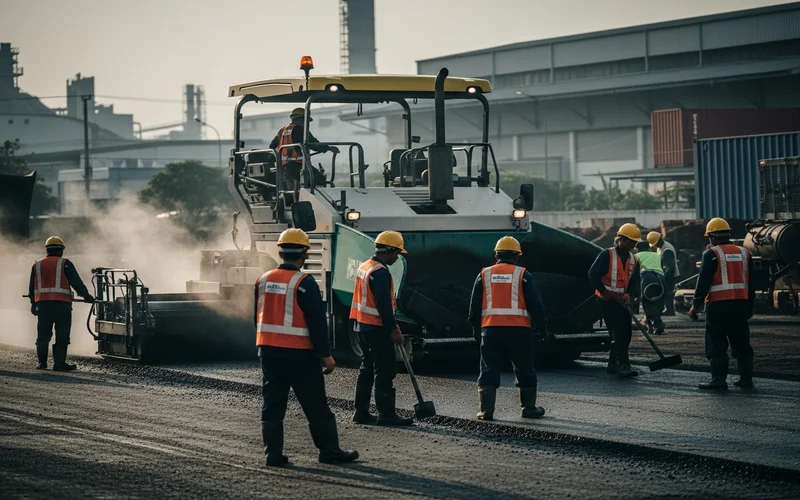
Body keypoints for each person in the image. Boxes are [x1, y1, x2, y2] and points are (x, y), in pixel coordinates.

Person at [256, 228, 358, 466]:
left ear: (280, 252)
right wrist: (326, 355)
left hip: (269, 352)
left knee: (272, 403)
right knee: (315, 403)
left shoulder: (263, 279)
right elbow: (316, 323)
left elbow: (257, 317)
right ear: (304, 254)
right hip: (299, 354)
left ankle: (273, 455)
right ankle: (329, 451)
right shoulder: (304, 283)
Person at [468, 236, 549, 421]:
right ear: (516, 256)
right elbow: (536, 305)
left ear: (496, 255)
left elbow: (474, 305)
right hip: (519, 331)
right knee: (524, 368)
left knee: (488, 368)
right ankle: (528, 408)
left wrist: (475, 327)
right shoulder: (523, 275)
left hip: (490, 330)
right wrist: (543, 328)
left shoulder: (484, 275)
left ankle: (486, 411)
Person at [350, 230, 414, 427]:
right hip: (376, 328)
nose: (397, 258)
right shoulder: (380, 272)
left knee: (367, 369)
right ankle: (386, 414)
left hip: (361, 326)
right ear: (388, 251)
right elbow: (383, 304)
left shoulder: (365, 267)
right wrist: (393, 328)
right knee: (384, 370)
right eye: (396, 254)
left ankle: (360, 412)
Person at [688, 218, 755, 391]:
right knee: (741, 342)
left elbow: (703, 282)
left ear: (712, 237)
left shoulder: (712, 254)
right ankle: (746, 379)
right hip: (740, 305)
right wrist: (749, 306)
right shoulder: (745, 253)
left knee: (716, 342)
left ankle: (718, 379)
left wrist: (696, 305)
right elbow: (752, 282)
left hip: (718, 306)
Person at [28, 236, 95, 371]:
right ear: (61, 250)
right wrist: (87, 296)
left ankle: (42, 363)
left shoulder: (37, 264)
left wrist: (33, 303)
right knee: (62, 334)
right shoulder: (65, 263)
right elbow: (76, 283)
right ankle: (59, 364)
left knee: (43, 334)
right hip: (62, 305)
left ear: (47, 249)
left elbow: (32, 287)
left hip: (43, 305)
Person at [588, 223, 642, 378]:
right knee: (619, 331)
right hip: (606, 300)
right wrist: (605, 291)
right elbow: (593, 273)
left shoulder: (634, 260)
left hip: (622, 300)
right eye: (631, 241)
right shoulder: (607, 255)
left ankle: (613, 364)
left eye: (635, 242)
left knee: (624, 332)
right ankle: (623, 365)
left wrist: (629, 294)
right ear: (622, 239)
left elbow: (634, 281)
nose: (633, 245)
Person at [269, 108, 339, 190]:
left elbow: (272, 145)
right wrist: (328, 148)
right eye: (307, 121)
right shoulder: (301, 130)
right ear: (302, 119)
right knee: (320, 179)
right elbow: (313, 143)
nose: (307, 124)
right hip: (297, 165)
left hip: (283, 166)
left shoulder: (282, 130)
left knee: (296, 186)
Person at [635, 241, 666, 336]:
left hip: (647, 277)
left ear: (638, 249)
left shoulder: (636, 256)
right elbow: (662, 266)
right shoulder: (657, 255)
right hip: (661, 278)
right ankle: (651, 326)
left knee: (647, 302)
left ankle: (657, 323)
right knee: (658, 302)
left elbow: (634, 271)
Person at [647, 231, 679, 316]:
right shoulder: (660, 248)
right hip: (665, 273)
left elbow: (670, 267)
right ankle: (667, 309)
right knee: (665, 291)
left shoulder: (666, 249)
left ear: (659, 240)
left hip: (669, 274)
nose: (655, 246)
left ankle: (670, 310)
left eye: (656, 243)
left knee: (668, 291)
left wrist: (665, 276)